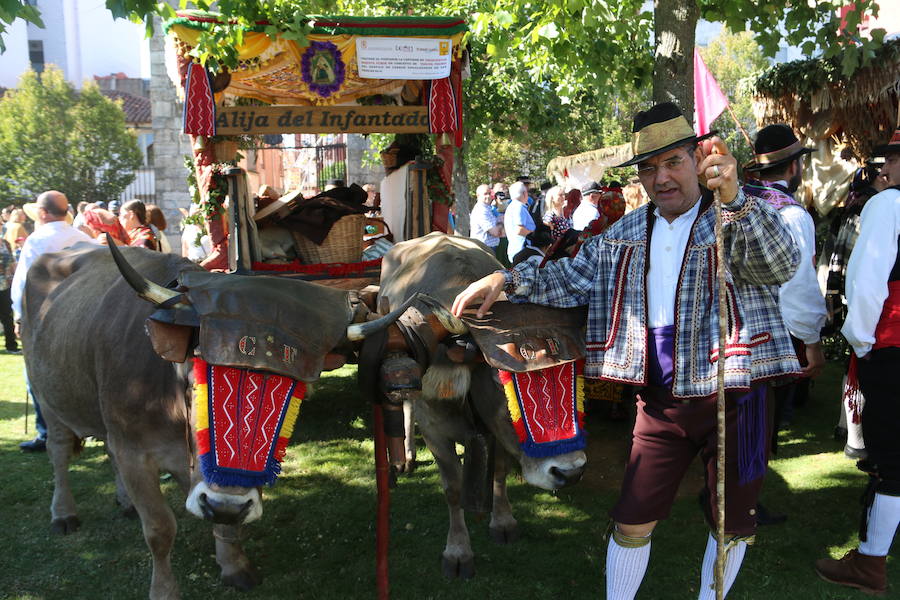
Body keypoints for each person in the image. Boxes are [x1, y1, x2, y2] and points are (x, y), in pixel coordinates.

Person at [452, 102, 801, 599]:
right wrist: (505, 278)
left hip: (736, 395)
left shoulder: (736, 212)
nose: (661, 178)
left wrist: (735, 198)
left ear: (698, 159)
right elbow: (568, 278)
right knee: (632, 518)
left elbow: (779, 264)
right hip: (659, 401)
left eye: (673, 162)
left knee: (732, 521)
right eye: (649, 167)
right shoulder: (628, 231)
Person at [814, 127, 900, 597]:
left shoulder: (889, 204)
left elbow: (867, 285)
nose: (884, 168)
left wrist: (860, 342)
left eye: (894, 158)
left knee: (892, 461)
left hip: (892, 348)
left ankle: (870, 565)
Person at [11, 191, 96, 452]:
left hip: (45, 317)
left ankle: (48, 432)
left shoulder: (37, 239)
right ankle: (83, 425)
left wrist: (18, 316)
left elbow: (24, 282)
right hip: (81, 316)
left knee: (36, 374)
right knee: (81, 370)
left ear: (44, 213)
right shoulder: (84, 238)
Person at [470, 184, 505, 260]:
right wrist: (502, 223)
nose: (488, 196)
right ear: (478, 195)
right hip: (484, 249)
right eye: (485, 194)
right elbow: (495, 232)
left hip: (488, 248)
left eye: (489, 193)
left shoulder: (488, 208)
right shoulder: (481, 210)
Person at [503, 181, 535, 263]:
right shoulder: (518, 207)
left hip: (517, 250)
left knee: (518, 275)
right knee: (525, 275)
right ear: (524, 193)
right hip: (522, 251)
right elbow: (519, 230)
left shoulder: (512, 207)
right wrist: (535, 235)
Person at [0, 238, 17, 353]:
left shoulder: (5, 243)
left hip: (5, 285)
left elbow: (12, 262)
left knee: (7, 316)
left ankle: (11, 345)